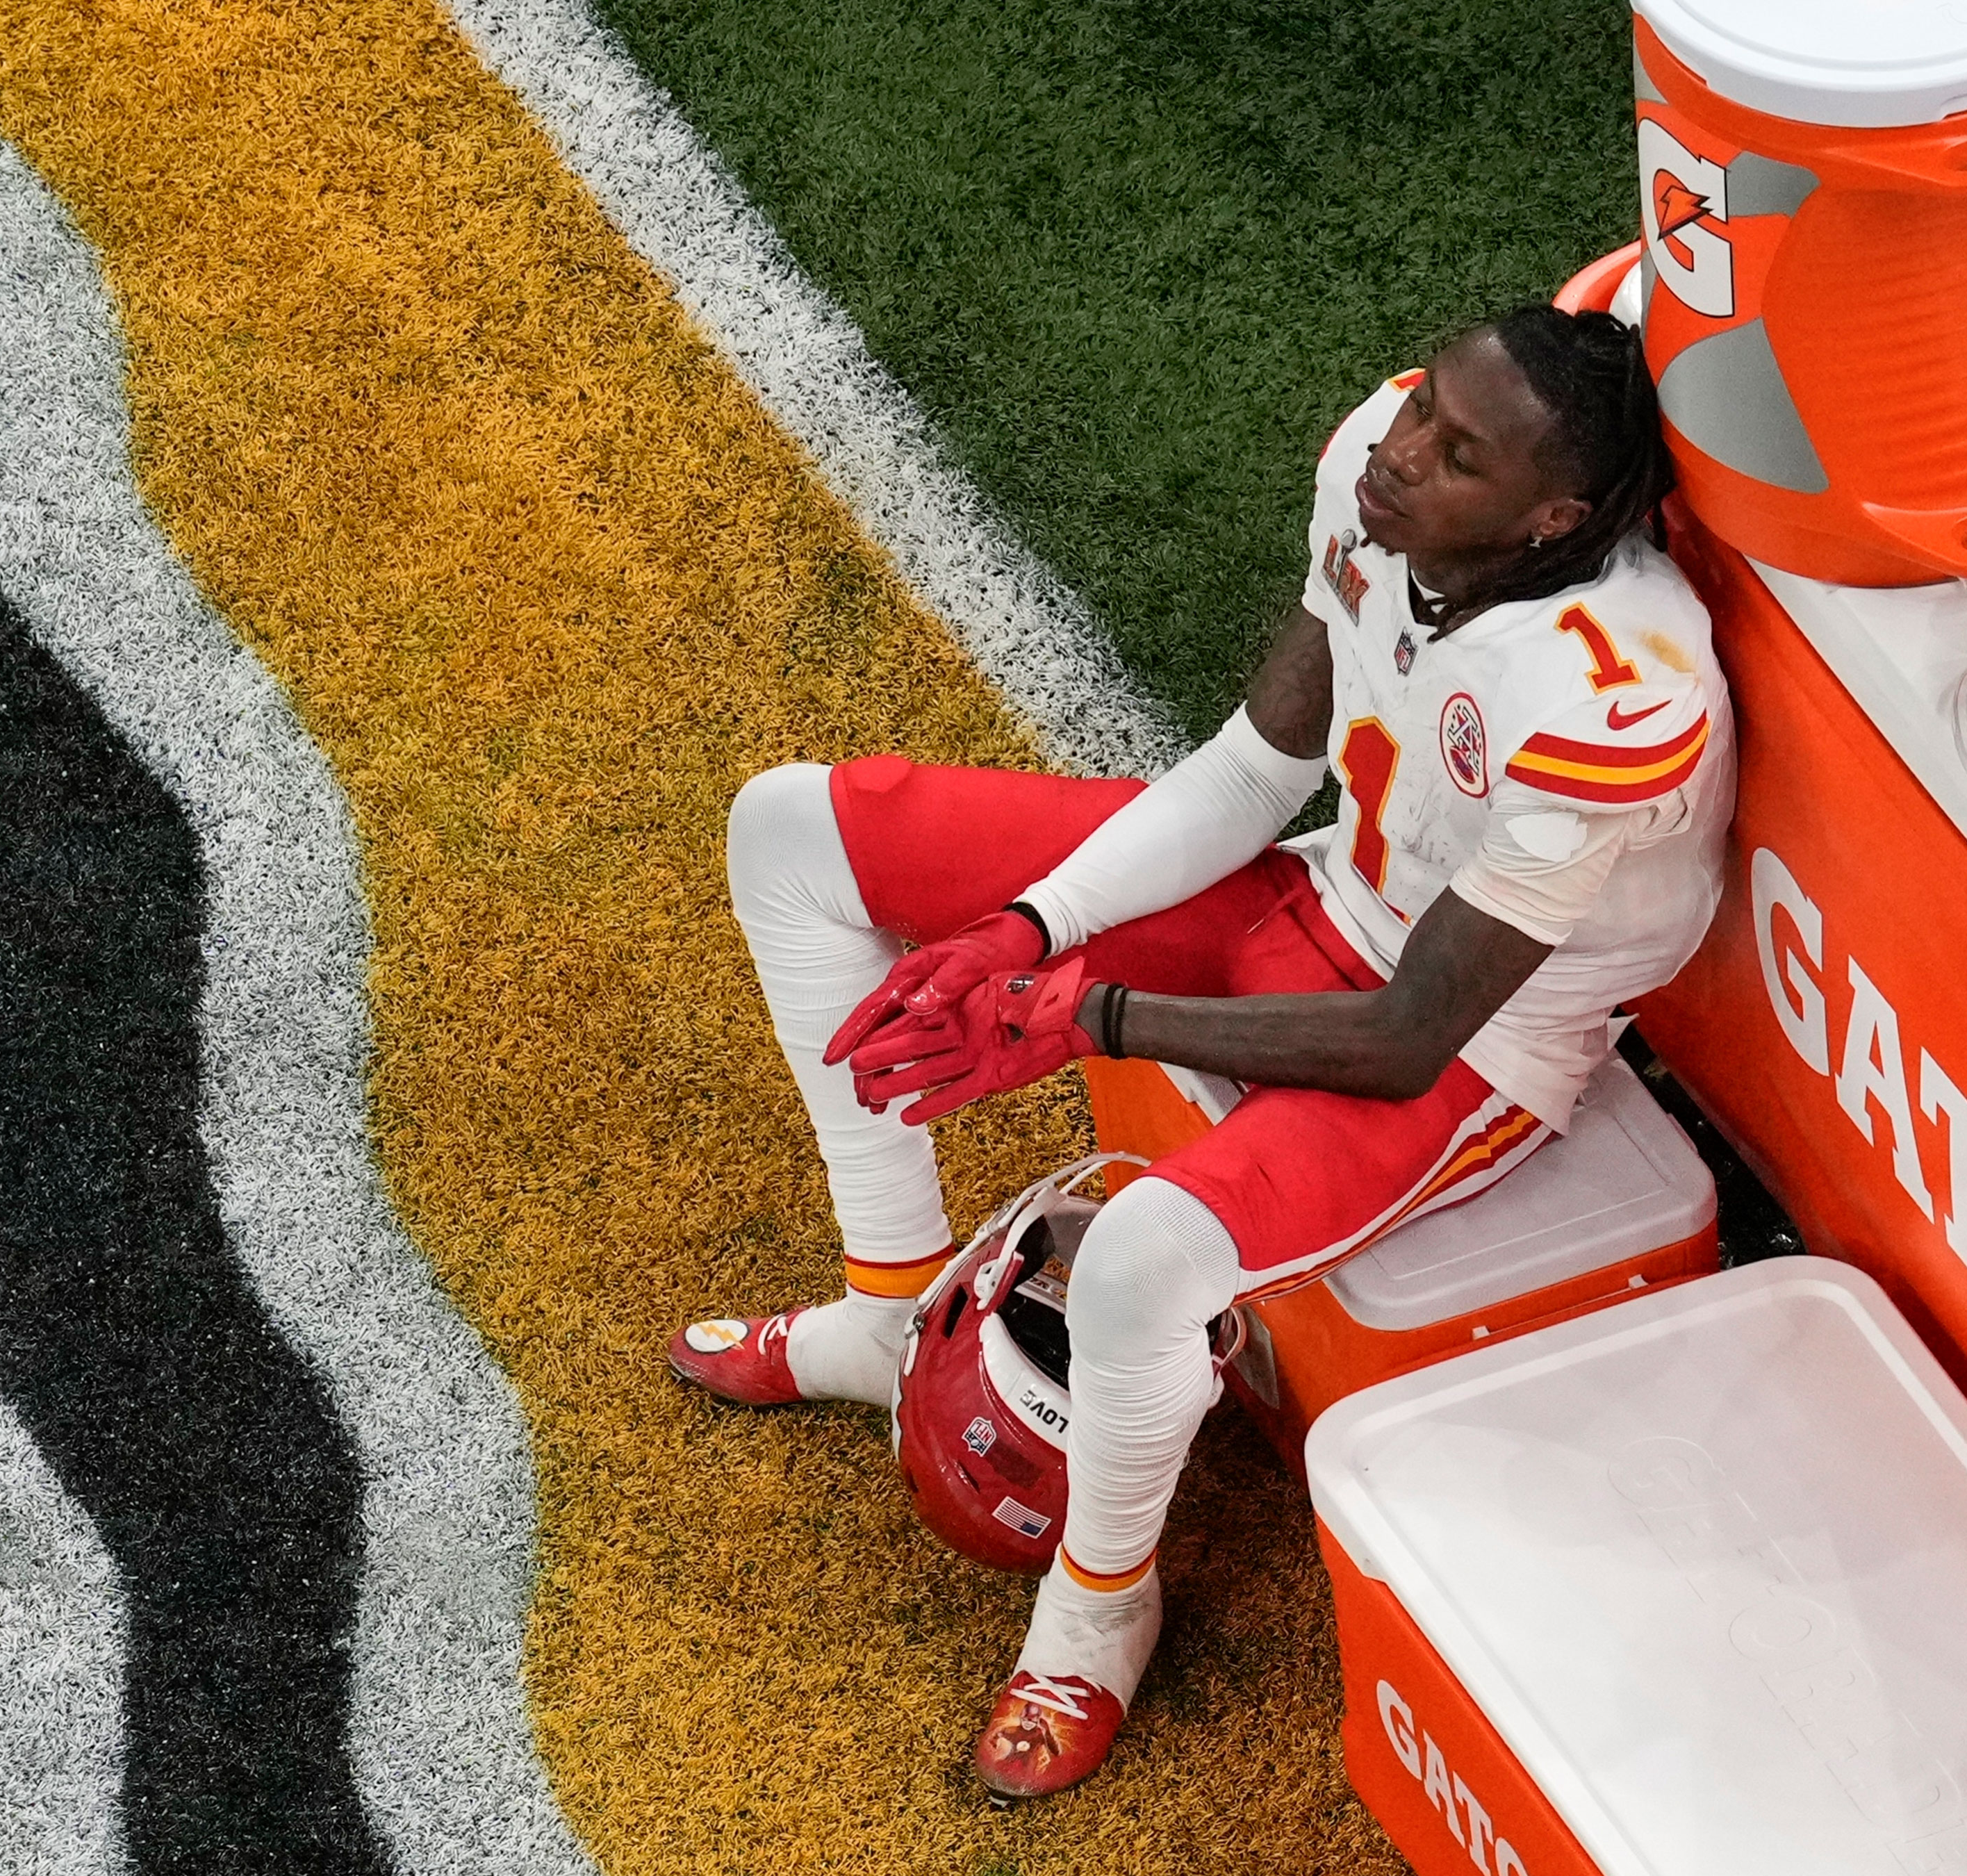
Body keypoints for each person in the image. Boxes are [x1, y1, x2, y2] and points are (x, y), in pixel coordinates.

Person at [669, 304, 1732, 1800]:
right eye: (1423, 410)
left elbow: (1407, 1033)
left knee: (1140, 1259)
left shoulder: (1616, 692)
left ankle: (1099, 1611)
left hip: (1479, 1041)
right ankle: (887, 1308)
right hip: (1320, 889)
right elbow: (1252, 770)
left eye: (1459, 455)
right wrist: (1032, 928)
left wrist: (1091, 1017)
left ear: (1551, 518)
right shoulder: (1375, 469)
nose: (1404, 452)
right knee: (791, 828)